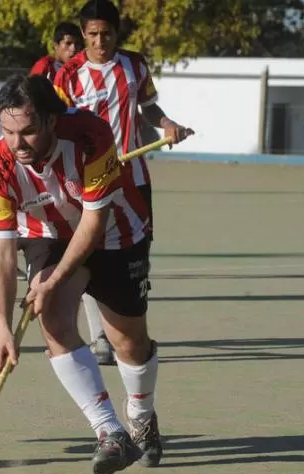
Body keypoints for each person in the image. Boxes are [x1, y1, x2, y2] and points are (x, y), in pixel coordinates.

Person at [0, 74, 162, 474]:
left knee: (127, 343)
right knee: (55, 319)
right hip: (49, 232)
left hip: (116, 231)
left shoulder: (91, 136)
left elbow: (93, 225)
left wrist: (51, 280)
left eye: (27, 131)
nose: (17, 143)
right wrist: (2, 327)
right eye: (7, 131)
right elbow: (0, 255)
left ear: (50, 121)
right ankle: (110, 432)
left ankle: (141, 415)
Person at [54, 0, 192, 366]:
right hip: (89, 182)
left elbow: (149, 107)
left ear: (118, 32)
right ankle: (100, 337)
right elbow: (59, 129)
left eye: (107, 34)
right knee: (88, 252)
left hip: (134, 181)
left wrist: (167, 125)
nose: (101, 42)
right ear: (83, 33)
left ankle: (129, 329)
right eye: (93, 34)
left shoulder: (134, 65)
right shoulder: (67, 75)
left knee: (136, 256)